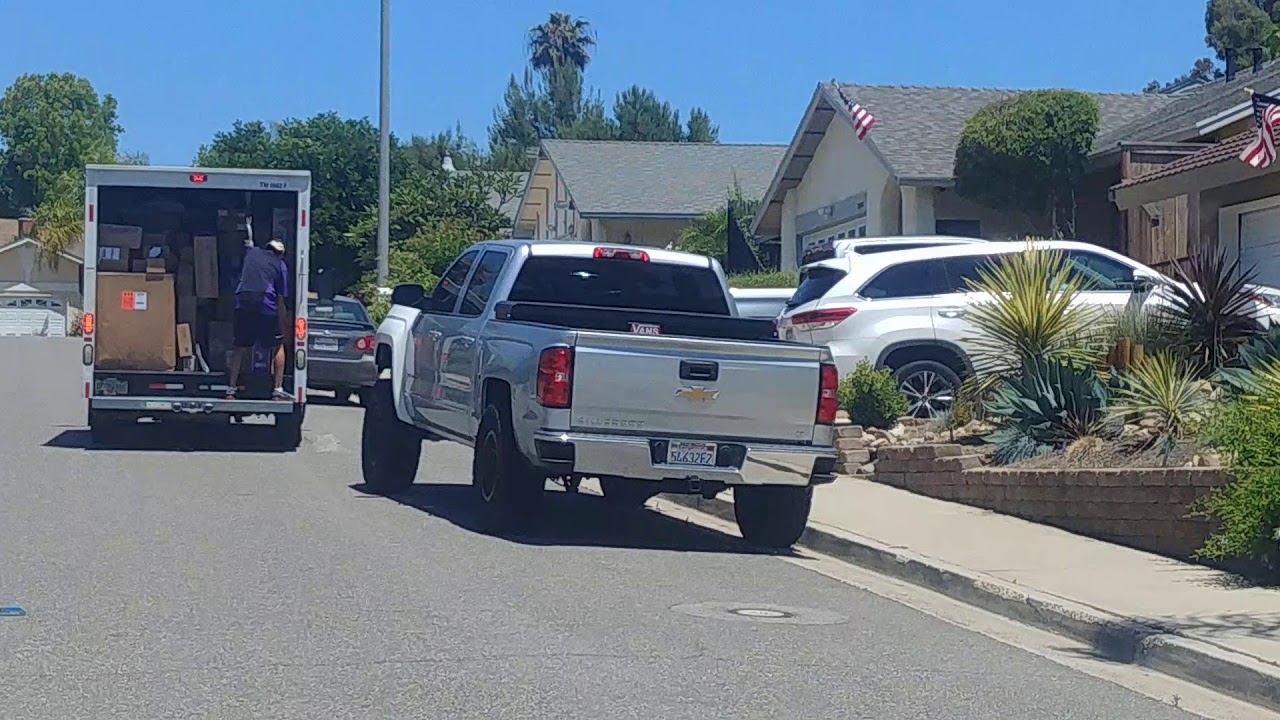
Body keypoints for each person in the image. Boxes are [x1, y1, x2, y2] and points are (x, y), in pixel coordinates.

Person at [226, 238, 291, 401]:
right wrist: (283, 325)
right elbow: (280, 299)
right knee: (277, 346)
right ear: (280, 253)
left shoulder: (252, 254)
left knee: (239, 347)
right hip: (266, 307)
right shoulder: (280, 265)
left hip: (244, 305)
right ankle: (277, 390)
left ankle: (231, 389)